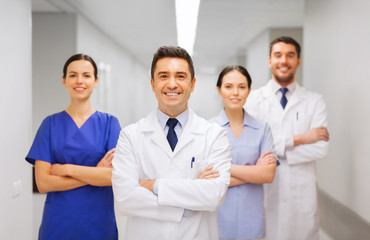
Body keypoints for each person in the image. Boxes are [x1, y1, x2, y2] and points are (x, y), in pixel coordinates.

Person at [112, 46, 231, 240]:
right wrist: (186, 203)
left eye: (181, 76)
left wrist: (155, 185)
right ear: (152, 83)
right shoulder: (130, 136)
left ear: (192, 84)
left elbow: (214, 194)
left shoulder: (214, 135)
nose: (172, 84)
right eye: (164, 76)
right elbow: (125, 199)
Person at [26, 54, 121, 240]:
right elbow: (43, 183)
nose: (79, 81)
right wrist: (95, 172)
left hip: (98, 221)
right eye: (73, 75)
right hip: (58, 222)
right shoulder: (50, 125)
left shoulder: (110, 124)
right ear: (64, 81)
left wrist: (67, 169)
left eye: (86, 75)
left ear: (95, 81)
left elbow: (112, 177)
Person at [245, 36, 330, 240]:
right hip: (265, 190)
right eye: (278, 55)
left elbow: (320, 149)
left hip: (301, 194)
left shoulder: (314, 101)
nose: (284, 60)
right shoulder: (253, 100)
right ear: (270, 61)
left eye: (290, 55)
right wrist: (300, 139)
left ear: (298, 61)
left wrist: (275, 152)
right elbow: (252, 146)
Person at [209, 66, 277, 240]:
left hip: (252, 220)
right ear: (219, 90)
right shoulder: (208, 130)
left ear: (248, 91)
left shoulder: (262, 129)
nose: (235, 93)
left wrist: (224, 168)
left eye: (241, 87)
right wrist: (255, 171)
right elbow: (207, 180)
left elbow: (268, 175)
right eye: (229, 86)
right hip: (217, 219)